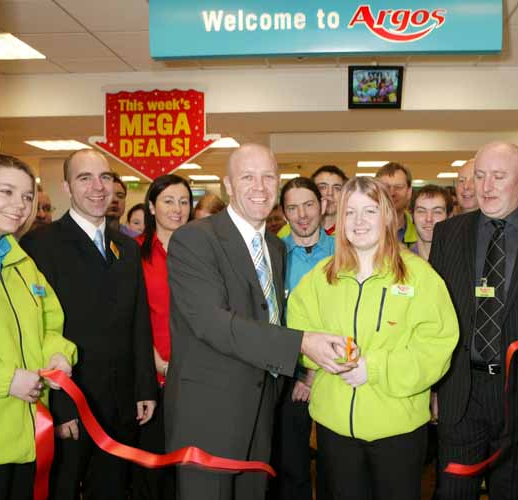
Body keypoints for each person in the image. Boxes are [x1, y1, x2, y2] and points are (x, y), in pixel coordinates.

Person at [164, 143, 356, 500]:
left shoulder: (275, 246)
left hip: (263, 408)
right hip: (209, 414)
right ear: (228, 186)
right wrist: (299, 342)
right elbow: (212, 322)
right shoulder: (195, 239)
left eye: (268, 177)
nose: (260, 186)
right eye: (248, 177)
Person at [287, 176, 458, 500]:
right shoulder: (320, 278)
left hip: (399, 433)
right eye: (350, 212)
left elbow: (437, 346)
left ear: (387, 217)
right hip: (333, 430)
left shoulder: (420, 277)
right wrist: (318, 354)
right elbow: (298, 330)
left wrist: (374, 368)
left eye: (369, 211)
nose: (359, 221)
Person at [429, 142, 518, 500]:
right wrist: (432, 387)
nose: (486, 186)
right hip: (460, 394)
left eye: (498, 176)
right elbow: (434, 318)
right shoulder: (448, 234)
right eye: (479, 176)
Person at [20, 149, 158, 500]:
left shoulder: (126, 248)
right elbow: (38, 329)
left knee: (112, 488)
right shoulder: (41, 244)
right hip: (71, 402)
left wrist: (144, 388)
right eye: (85, 178)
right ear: (67, 186)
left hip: (123, 402)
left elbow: (138, 321)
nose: (98, 187)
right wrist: (61, 405)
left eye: (105, 177)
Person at [0, 154, 77, 500]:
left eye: (27, 196)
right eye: (6, 192)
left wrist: (57, 354)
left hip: (27, 436)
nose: (20, 205)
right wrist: (6, 379)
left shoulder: (21, 263)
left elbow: (47, 325)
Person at [271, 177, 335, 500]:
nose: (302, 215)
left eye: (309, 205)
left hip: (338, 374)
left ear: (322, 205)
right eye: (293, 208)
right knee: (292, 468)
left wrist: (314, 374)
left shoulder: (345, 251)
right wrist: (300, 372)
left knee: (335, 470)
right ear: (283, 212)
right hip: (288, 379)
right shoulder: (273, 253)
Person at [132, 174, 193, 500]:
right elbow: (134, 316)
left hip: (194, 376)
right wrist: (157, 361)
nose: (177, 208)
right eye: (168, 201)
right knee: (153, 466)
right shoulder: (134, 253)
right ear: (152, 206)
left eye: (184, 201)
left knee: (188, 464)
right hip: (153, 375)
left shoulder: (201, 251)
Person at [375, 162, 417, 246]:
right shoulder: (361, 230)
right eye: (386, 187)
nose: (392, 193)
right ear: (376, 192)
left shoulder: (422, 233)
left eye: (398, 187)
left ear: (409, 192)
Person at [411, 184, 454, 261]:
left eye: (437, 212)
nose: (429, 219)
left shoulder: (460, 261)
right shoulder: (401, 263)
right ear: (412, 216)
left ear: (449, 217)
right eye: (421, 211)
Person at [312, 164, 348, 235]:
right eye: (322, 187)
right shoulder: (291, 230)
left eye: (337, 188)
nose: (330, 193)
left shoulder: (354, 230)